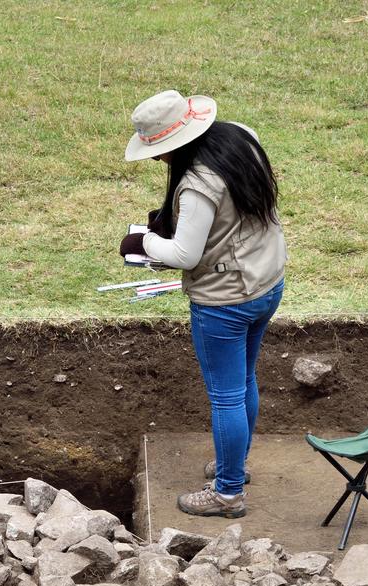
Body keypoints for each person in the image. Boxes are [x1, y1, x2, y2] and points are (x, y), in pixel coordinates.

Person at [119, 89, 286, 520]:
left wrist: (145, 240)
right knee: (245, 379)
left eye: (157, 151)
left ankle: (228, 492)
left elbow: (185, 256)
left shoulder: (196, 185)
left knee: (226, 397)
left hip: (224, 302)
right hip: (268, 283)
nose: (157, 160)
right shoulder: (241, 140)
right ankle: (236, 464)